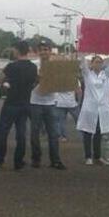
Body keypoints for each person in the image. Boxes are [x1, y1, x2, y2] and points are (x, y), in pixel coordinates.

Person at [0, 41, 38, 171]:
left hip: (11, 102)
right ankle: (18, 161)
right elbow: (35, 83)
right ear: (27, 51)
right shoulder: (33, 68)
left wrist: (5, 83)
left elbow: (0, 79)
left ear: (16, 51)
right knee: (21, 133)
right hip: (25, 103)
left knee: (3, 132)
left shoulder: (11, 66)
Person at [30, 42, 66, 170]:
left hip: (51, 102)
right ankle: (36, 159)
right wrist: (38, 78)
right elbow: (29, 83)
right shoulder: (33, 65)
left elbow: (63, 81)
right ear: (37, 52)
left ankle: (55, 160)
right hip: (35, 101)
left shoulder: (56, 65)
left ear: (50, 51)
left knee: (54, 133)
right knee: (35, 132)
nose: (44, 52)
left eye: (46, 49)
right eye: (41, 50)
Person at [77, 54, 109, 165]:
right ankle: (88, 156)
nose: (98, 64)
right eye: (96, 62)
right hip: (90, 108)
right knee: (87, 132)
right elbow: (82, 62)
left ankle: (97, 156)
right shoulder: (87, 75)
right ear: (92, 63)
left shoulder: (106, 75)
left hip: (102, 108)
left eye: (100, 62)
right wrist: (82, 49)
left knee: (99, 133)